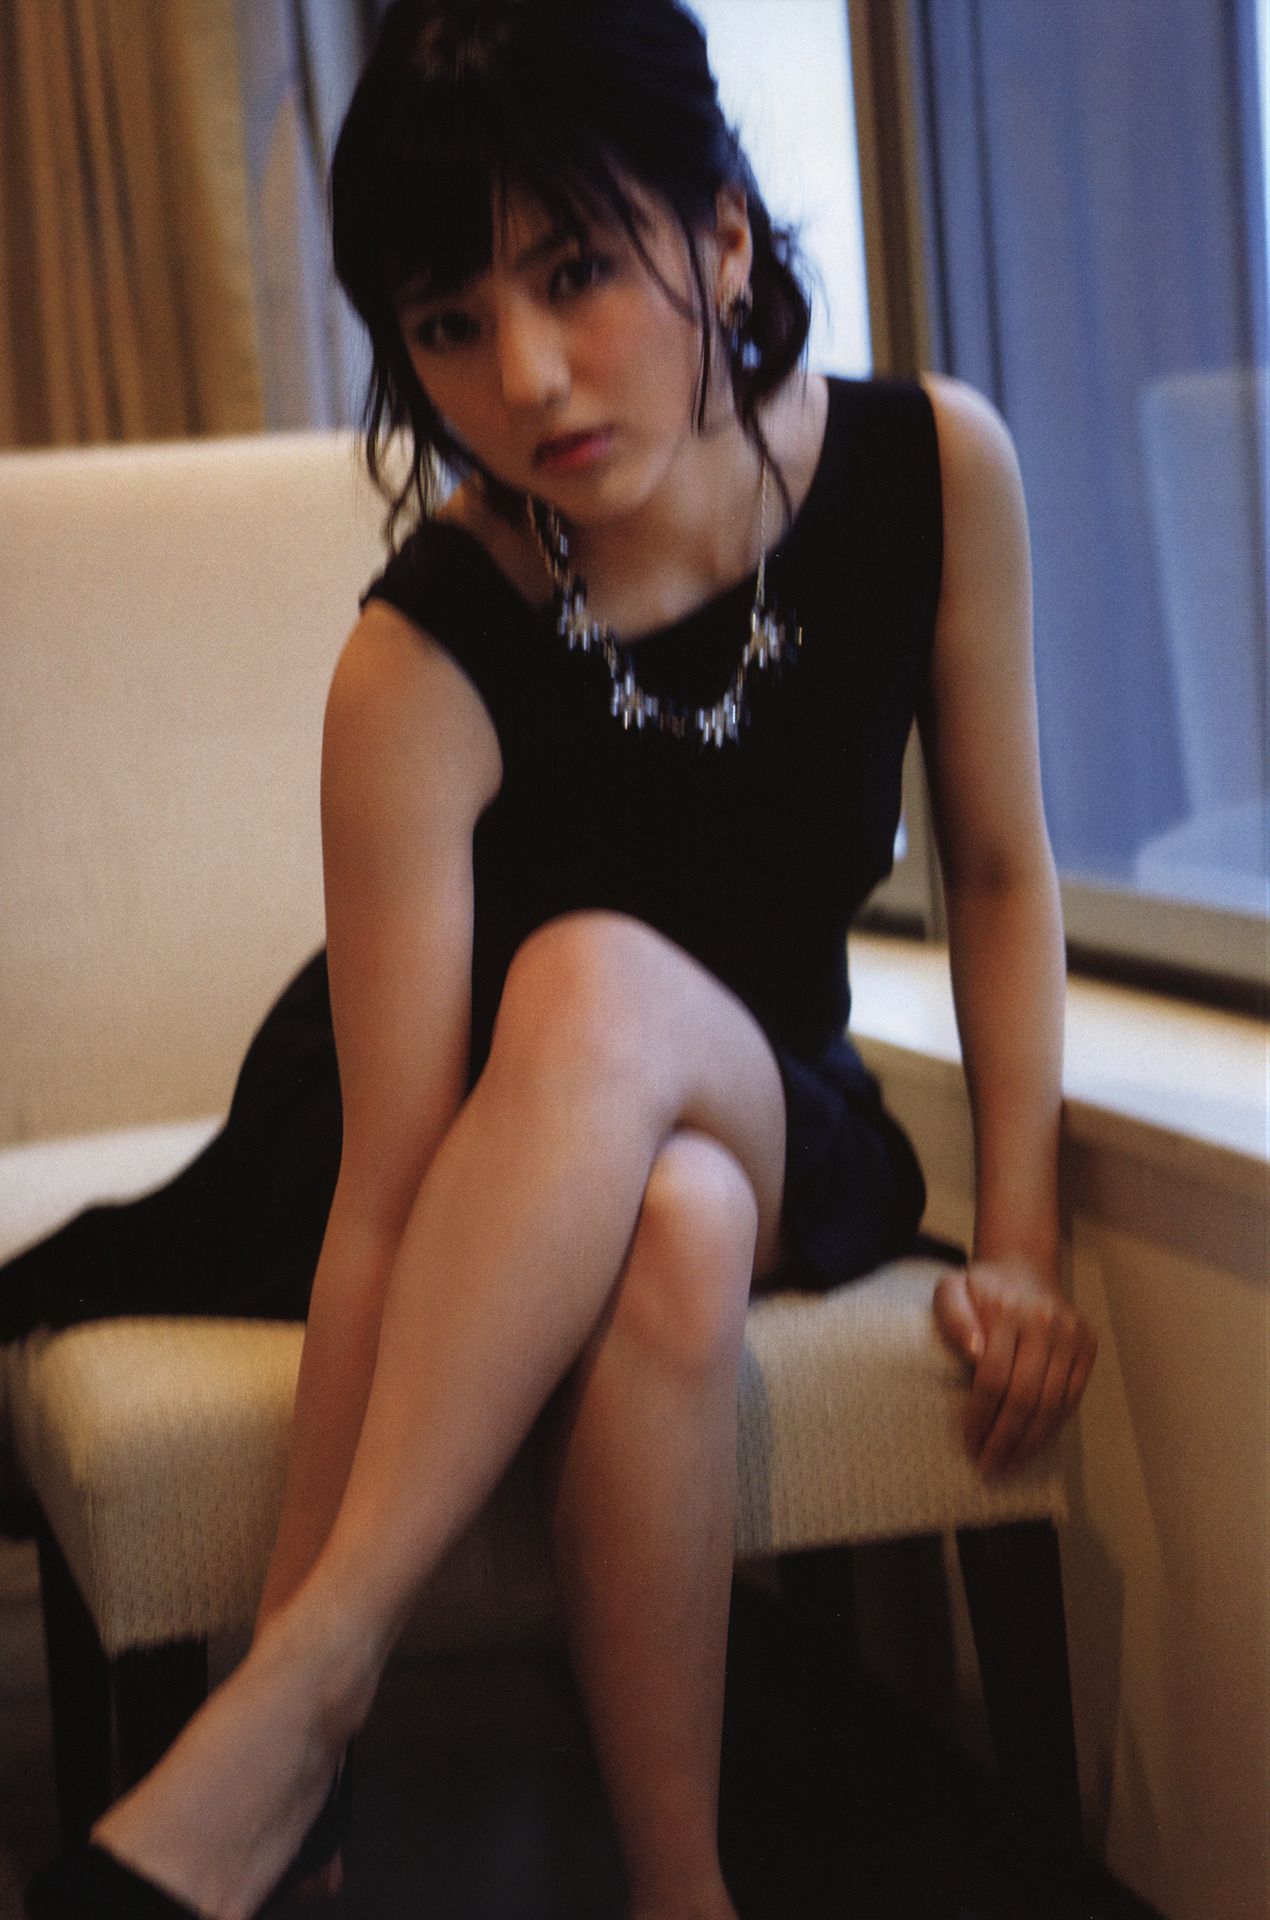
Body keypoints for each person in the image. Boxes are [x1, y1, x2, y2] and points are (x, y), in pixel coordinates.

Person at [26, 1, 1097, 1915]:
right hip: (444, 1134)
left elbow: (1004, 874)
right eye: (448, 324)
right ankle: (674, 1890)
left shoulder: (935, 467)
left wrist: (1017, 1243)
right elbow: (385, 1195)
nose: (523, 378)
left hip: (772, 1088)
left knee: (606, 993)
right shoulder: (417, 653)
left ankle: (301, 1706)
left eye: (579, 271)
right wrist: (289, 1577)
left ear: (724, 234)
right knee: (670, 1212)